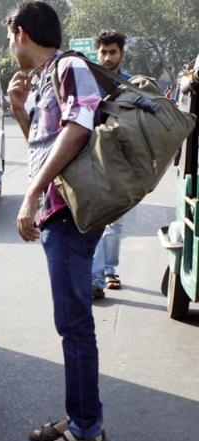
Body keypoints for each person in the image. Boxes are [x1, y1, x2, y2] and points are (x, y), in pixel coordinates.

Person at [6, 1, 106, 441]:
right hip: (56, 211)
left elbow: (80, 126)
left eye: (10, 38)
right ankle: (80, 416)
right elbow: (42, 146)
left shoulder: (68, 66)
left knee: (75, 326)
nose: (10, 48)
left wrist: (32, 194)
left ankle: (87, 431)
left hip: (67, 212)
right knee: (70, 325)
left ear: (23, 32)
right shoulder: (47, 76)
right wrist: (19, 109)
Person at [91, 30, 131, 299]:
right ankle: (94, 280)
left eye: (112, 52)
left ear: (121, 54)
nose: (107, 58)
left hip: (120, 163)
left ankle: (109, 270)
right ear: (97, 53)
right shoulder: (86, 83)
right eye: (103, 52)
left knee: (114, 224)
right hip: (90, 160)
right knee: (93, 222)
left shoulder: (131, 86)